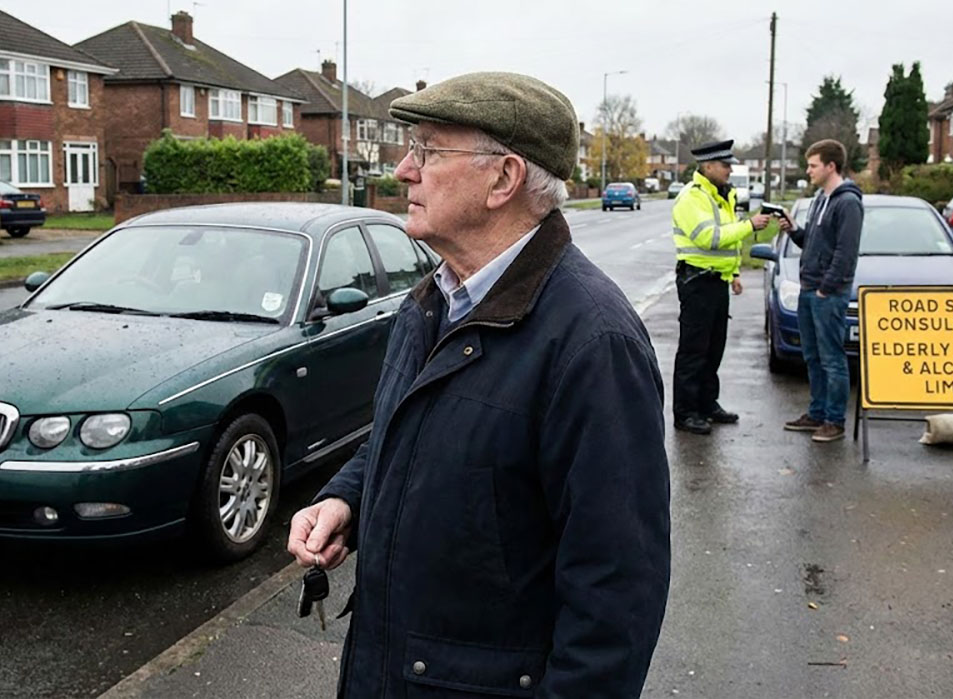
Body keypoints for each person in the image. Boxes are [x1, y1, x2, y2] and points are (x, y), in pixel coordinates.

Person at [286, 72, 671, 698]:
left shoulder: (593, 342)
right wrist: (347, 501)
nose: (403, 170)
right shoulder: (432, 300)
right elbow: (404, 432)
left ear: (503, 178)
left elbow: (616, 594)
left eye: (430, 151)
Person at [670, 140, 771, 435]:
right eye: (725, 165)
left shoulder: (722, 196)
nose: (730, 170)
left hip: (717, 280)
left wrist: (735, 272)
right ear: (708, 166)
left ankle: (706, 403)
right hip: (697, 281)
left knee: (714, 348)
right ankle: (686, 412)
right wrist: (750, 225)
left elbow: (729, 241)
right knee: (693, 350)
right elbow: (708, 238)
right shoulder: (693, 197)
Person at [780, 139, 863, 442]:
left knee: (832, 358)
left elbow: (845, 253)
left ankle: (834, 421)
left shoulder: (848, 203)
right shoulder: (819, 199)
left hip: (827, 294)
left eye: (813, 165)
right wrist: (794, 231)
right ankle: (816, 413)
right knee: (812, 356)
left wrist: (826, 289)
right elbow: (815, 243)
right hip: (808, 289)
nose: (808, 170)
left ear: (831, 166)